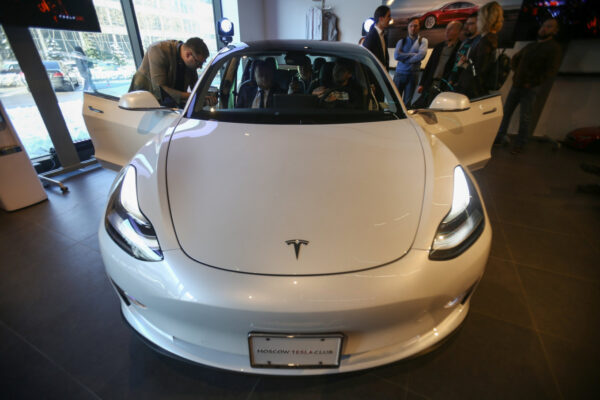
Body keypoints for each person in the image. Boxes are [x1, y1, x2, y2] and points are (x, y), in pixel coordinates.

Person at [494, 18, 562, 153]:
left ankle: (520, 144)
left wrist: (532, 82)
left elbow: (551, 70)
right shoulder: (531, 46)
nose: (544, 29)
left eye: (549, 26)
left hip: (530, 88)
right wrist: (517, 73)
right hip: (517, 84)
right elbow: (515, 59)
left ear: (555, 31)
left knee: (525, 117)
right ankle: (499, 138)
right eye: (543, 25)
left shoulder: (554, 48)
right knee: (506, 113)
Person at [129, 37, 209, 107]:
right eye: (198, 63)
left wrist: (206, 96)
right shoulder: (158, 50)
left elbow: (196, 88)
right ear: (188, 54)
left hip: (170, 106)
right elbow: (160, 90)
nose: (200, 67)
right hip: (143, 104)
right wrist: (193, 96)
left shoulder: (191, 62)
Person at [453, 2, 504, 99]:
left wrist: (464, 64)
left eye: (479, 17)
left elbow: (478, 71)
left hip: (472, 90)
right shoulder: (490, 38)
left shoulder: (486, 40)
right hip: (473, 88)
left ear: (485, 19)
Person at [412, 21, 462, 108]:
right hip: (431, 83)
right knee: (423, 106)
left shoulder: (460, 48)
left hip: (445, 86)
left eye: (450, 29)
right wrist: (422, 84)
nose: (447, 32)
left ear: (458, 31)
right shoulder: (439, 46)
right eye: (446, 29)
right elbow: (429, 65)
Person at [393, 18, 428, 106]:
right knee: (395, 101)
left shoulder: (423, 41)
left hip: (412, 75)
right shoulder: (401, 41)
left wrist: (404, 58)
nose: (413, 28)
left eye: (415, 26)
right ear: (408, 27)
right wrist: (412, 54)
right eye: (411, 26)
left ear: (419, 27)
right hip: (399, 74)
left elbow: (421, 56)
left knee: (407, 103)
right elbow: (396, 56)